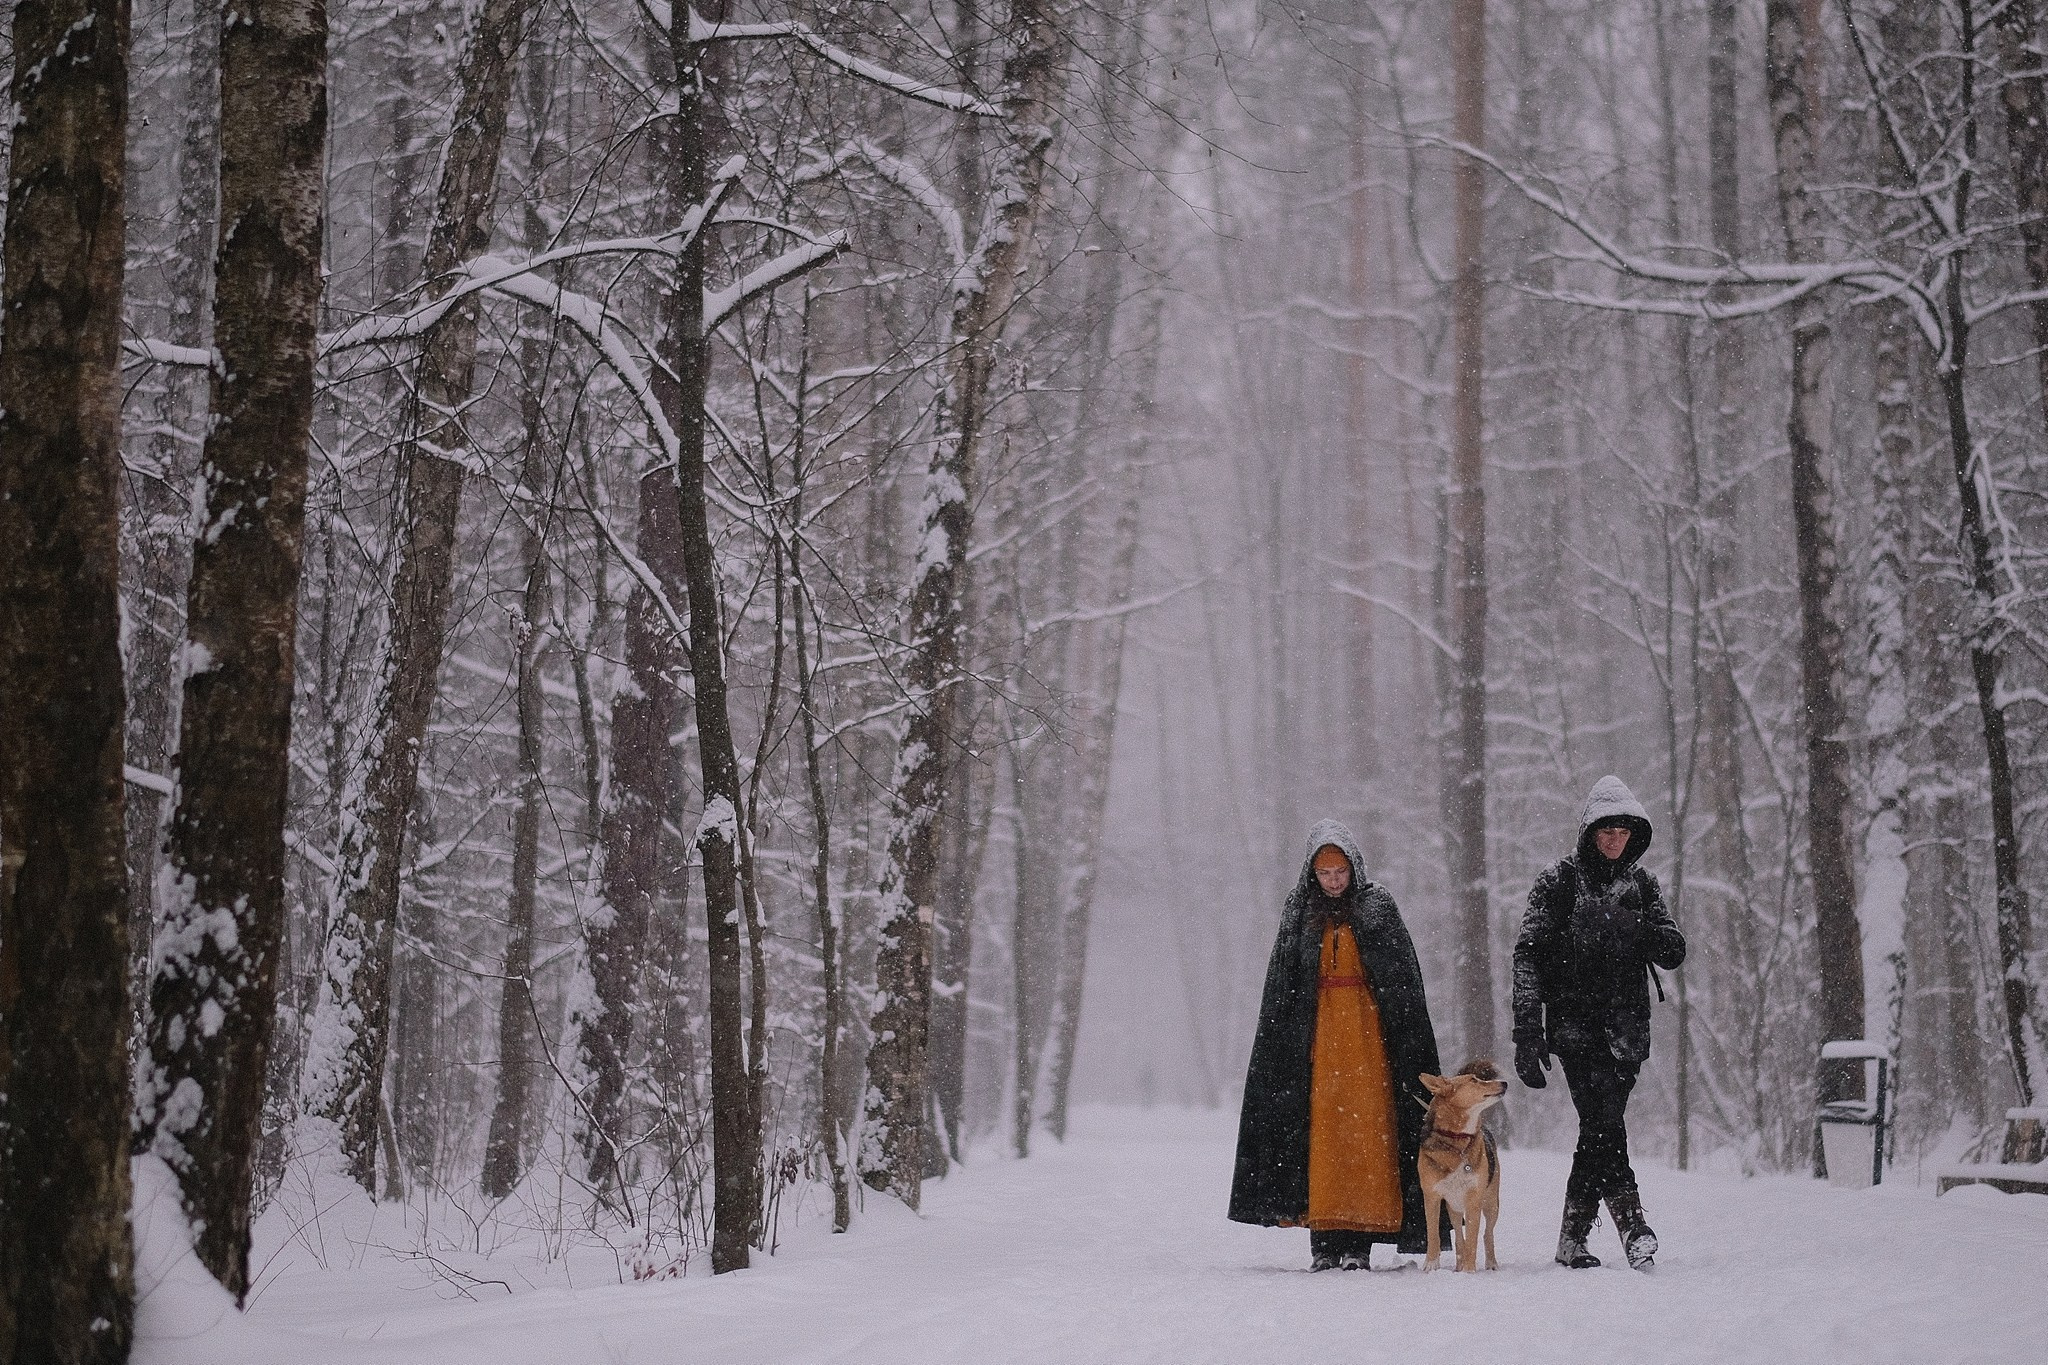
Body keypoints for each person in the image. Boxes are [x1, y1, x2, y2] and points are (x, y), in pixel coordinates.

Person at [1229, 820, 1445, 1270]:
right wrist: (1288, 1045)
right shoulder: (1299, 910)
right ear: (1313, 873)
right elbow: (1283, 986)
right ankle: (1325, 1242)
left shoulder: (1377, 907)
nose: (1333, 881)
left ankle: (1358, 1244)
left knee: (1367, 1135)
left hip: (1369, 1043)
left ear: (1354, 869)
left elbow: (1402, 985)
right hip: (1320, 1043)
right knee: (1324, 1137)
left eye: (1340, 872)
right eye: (1325, 873)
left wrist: (1403, 1045)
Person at [1512, 775, 1687, 1271]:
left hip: (1628, 1030)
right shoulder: (1559, 882)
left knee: (1598, 1128)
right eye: (1606, 830)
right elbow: (1527, 955)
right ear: (1590, 831)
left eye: (1624, 831)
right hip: (1574, 1029)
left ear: (1635, 834)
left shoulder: (1643, 884)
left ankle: (1572, 1240)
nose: (1614, 840)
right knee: (1603, 1120)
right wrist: (1527, 1031)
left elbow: (1674, 951)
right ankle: (1633, 1226)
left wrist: (1635, 926)